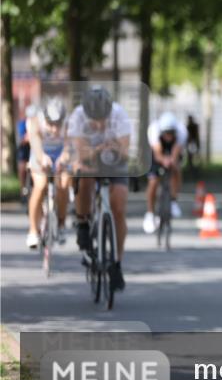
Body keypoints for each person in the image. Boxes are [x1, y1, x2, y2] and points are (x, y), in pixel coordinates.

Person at [68, 85, 131, 292]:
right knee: (83, 174)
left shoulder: (119, 115)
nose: (98, 123)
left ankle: (117, 262)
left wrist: (113, 148)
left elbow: (125, 151)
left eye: (102, 118)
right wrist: (98, 148)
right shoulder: (77, 117)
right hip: (90, 159)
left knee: (119, 206)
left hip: (115, 161)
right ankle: (83, 222)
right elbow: (81, 152)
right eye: (93, 119)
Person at [25, 98, 70, 248]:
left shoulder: (69, 124)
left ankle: (62, 224)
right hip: (41, 153)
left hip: (59, 154)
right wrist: (42, 158)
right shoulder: (35, 121)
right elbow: (35, 145)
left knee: (64, 185)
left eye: (58, 125)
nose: (55, 130)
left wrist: (63, 158)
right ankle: (33, 230)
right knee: (41, 184)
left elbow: (69, 147)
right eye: (51, 125)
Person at [143, 112, 186, 234]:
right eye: (166, 133)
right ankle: (150, 213)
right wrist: (163, 160)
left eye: (171, 133)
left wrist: (172, 161)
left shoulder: (182, 131)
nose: (168, 136)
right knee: (153, 181)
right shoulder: (154, 130)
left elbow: (176, 152)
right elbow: (157, 154)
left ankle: (173, 200)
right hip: (156, 152)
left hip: (172, 151)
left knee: (176, 169)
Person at [16, 109, 33, 205]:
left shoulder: (38, 124)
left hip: (34, 150)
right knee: (22, 169)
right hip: (24, 151)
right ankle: (22, 191)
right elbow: (23, 139)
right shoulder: (22, 124)